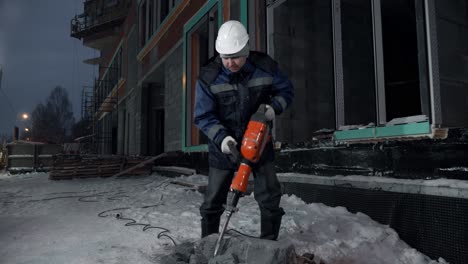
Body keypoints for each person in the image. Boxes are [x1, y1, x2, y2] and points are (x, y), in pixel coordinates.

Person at [194, 20, 294, 240]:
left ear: (246, 50)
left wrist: (273, 108)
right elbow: (203, 116)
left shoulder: (265, 67)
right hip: (224, 149)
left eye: (236, 57)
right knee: (213, 200)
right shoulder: (209, 77)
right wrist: (222, 139)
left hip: (260, 144)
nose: (230, 63)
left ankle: (268, 244)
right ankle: (208, 244)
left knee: (269, 196)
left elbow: (286, 92)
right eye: (226, 58)